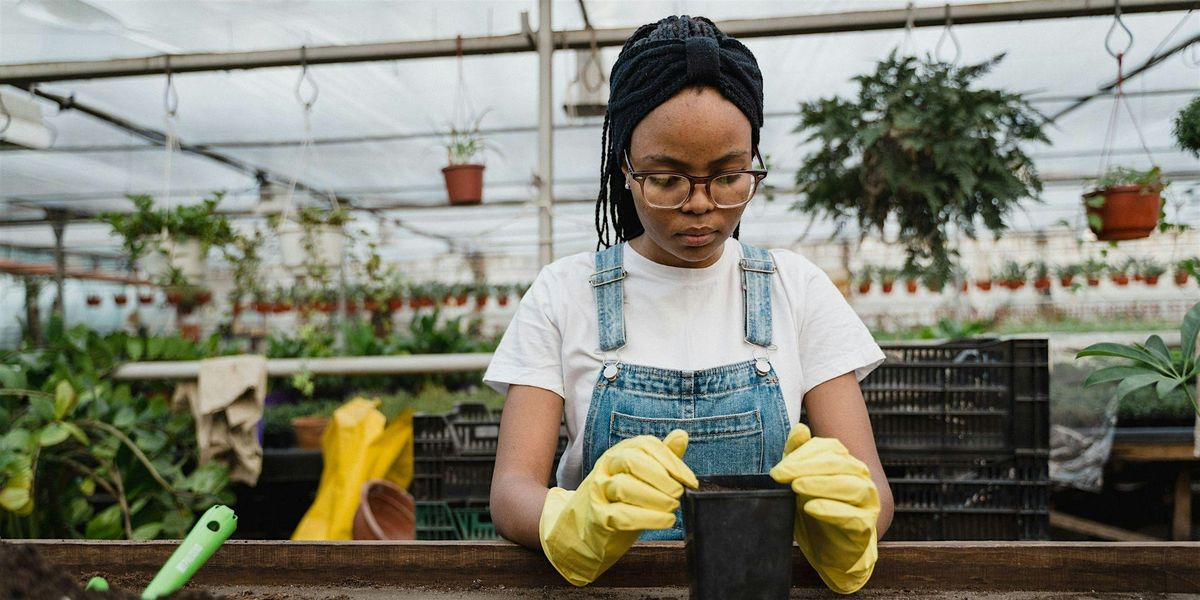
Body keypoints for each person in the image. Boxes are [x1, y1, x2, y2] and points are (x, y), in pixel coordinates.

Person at [484, 15, 892, 594]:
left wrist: (848, 523)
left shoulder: (795, 287)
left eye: (729, 176)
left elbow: (873, 489)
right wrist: (568, 519)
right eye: (667, 178)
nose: (701, 205)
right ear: (624, 168)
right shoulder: (563, 292)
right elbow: (510, 490)